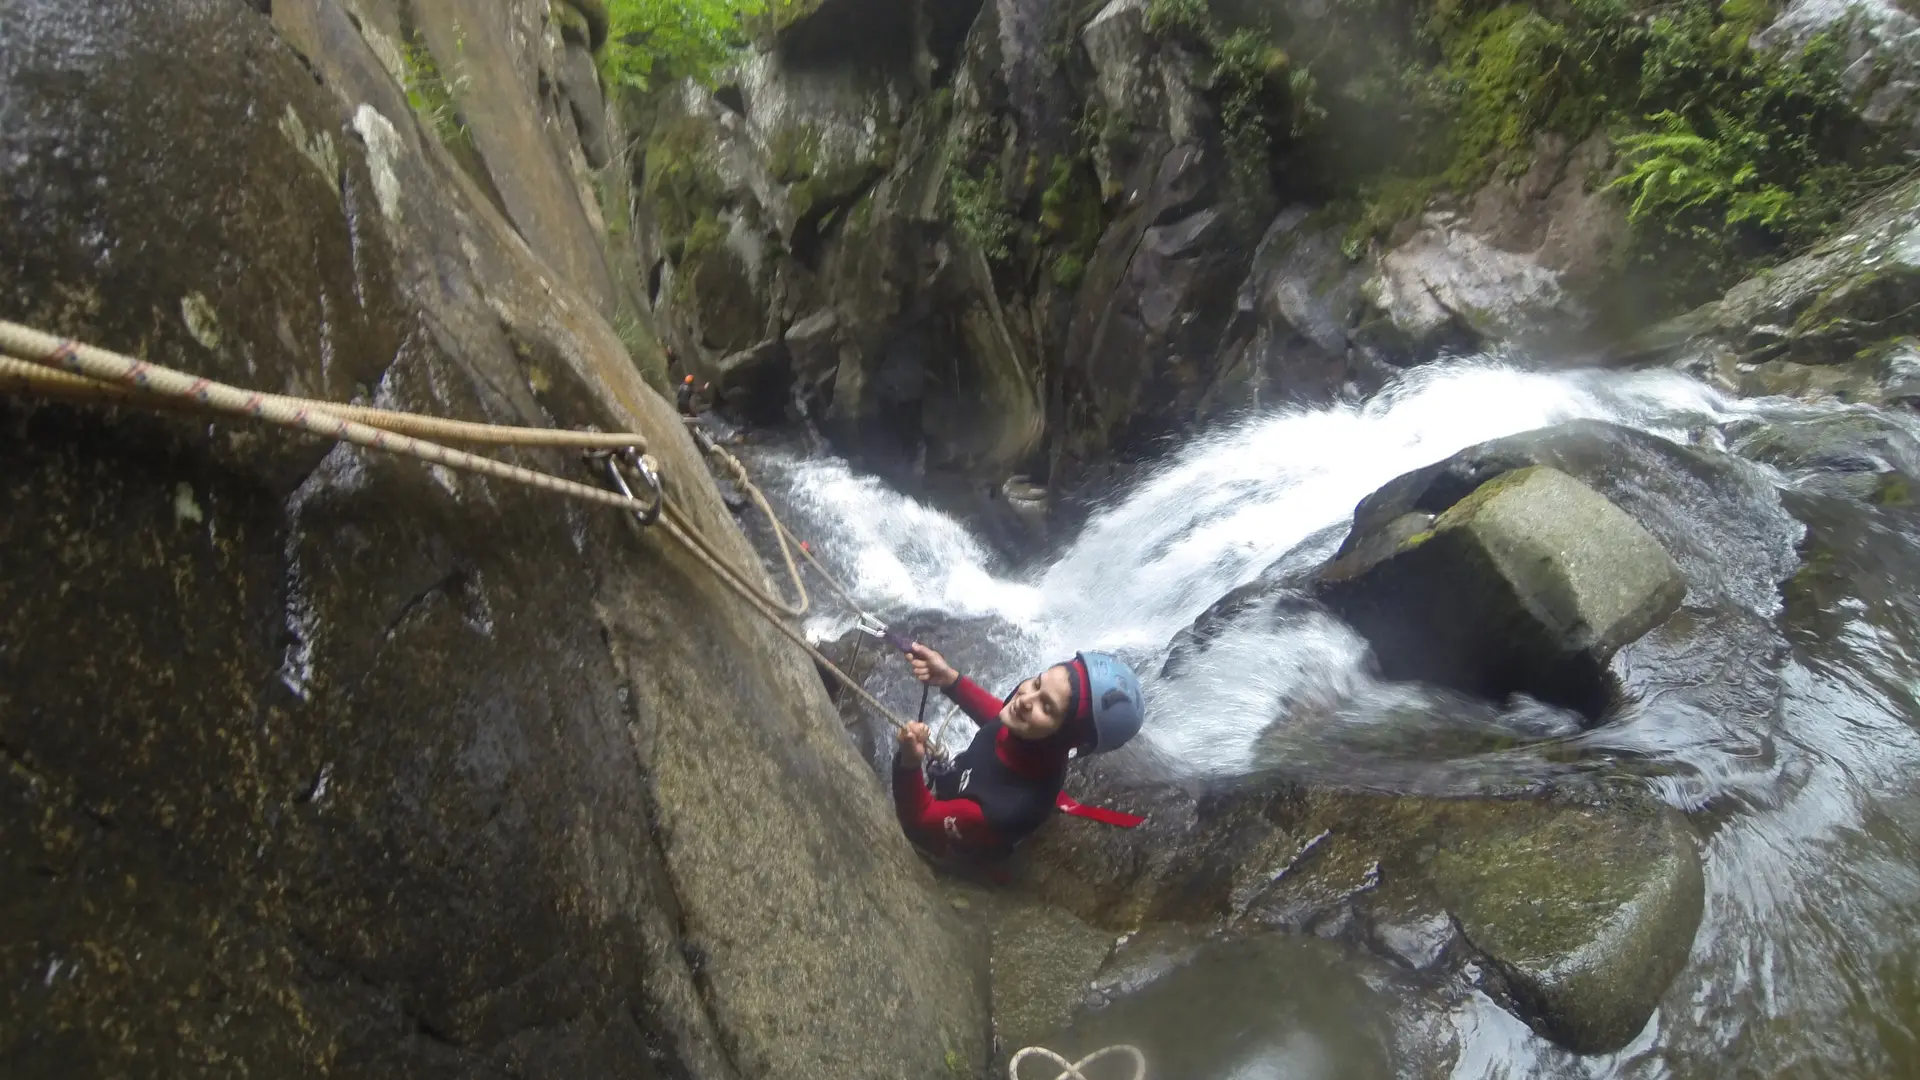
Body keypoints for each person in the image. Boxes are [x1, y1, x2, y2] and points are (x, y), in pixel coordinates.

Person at [892, 643, 1146, 863]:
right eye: (1037, 683)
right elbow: (997, 721)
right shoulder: (1031, 739)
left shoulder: (1002, 808)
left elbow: (918, 821)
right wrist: (949, 679)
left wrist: (909, 764)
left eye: (1046, 706)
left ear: (1064, 737)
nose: (1025, 699)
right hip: (966, 791)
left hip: (955, 839)